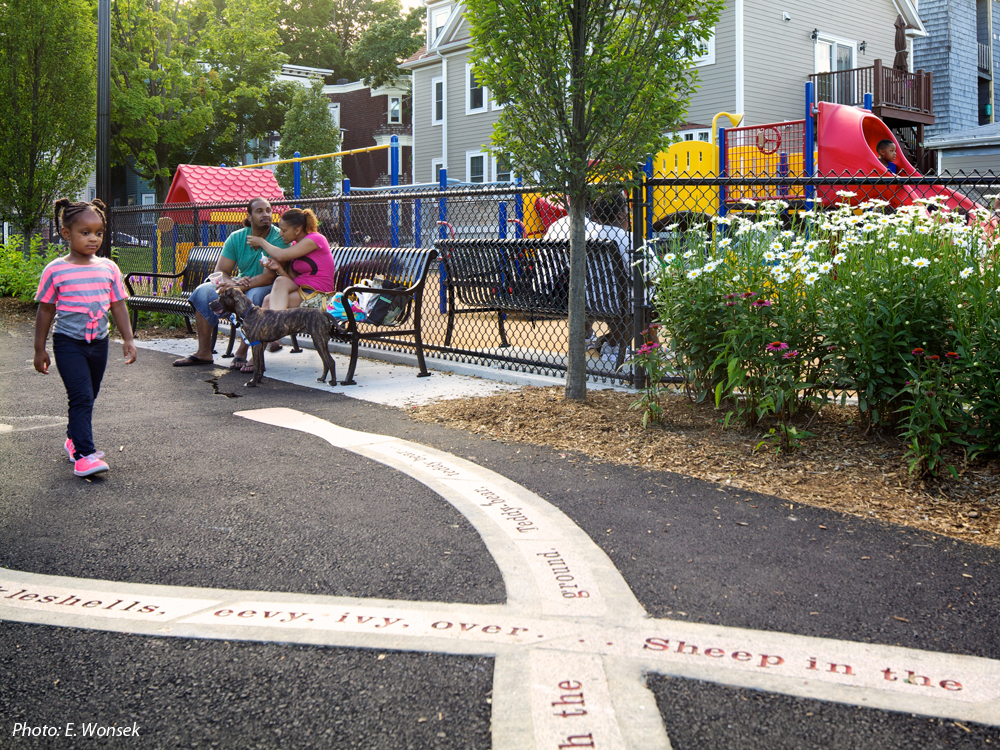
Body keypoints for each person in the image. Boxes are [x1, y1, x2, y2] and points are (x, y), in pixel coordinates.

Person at [34, 198, 137, 478]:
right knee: (80, 397)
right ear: (66, 233)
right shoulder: (55, 269)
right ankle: (84, 455)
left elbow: (118, 304)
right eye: (85, 232)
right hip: (68, 343)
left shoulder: (109, 268)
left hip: (99, 343)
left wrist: (128, 338)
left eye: (99, 232)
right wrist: (39, 349)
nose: (94, 238)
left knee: (89, 396)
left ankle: (73, 439)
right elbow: (45, 309)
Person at [172, 197, 288, 371]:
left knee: (254, 296)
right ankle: (204, 352)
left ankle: (242, 352)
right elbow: (221, 271)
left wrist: (237, 288)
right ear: (249, 216)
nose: (266, 215)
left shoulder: (278, 238)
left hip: (266, 287)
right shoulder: (236, 238)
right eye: (259, 211)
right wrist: (231, 284)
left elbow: (267, 277)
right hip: (238, 285)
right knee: (203, 291)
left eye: (269, 210)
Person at [544, 192, 632, 359]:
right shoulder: (627, 239)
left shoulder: (583, 236)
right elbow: (652, 274)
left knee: (604, 289)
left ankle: (596, 340)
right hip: (620, 302)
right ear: (621, 215)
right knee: (644, 299)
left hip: (583, 298)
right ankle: (620, 345)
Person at [250, 208, 336, 351]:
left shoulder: (315, 239)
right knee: (268, 297)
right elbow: (292, 280)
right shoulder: (296, 245)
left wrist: (261, 242)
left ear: (297, 229)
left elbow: (281, 255)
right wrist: (279, 269)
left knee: (269, 300)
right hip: (303, 292)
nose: (281, 233)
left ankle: (274, 332)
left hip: (320, 296)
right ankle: (260, 352)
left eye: (283, 230)